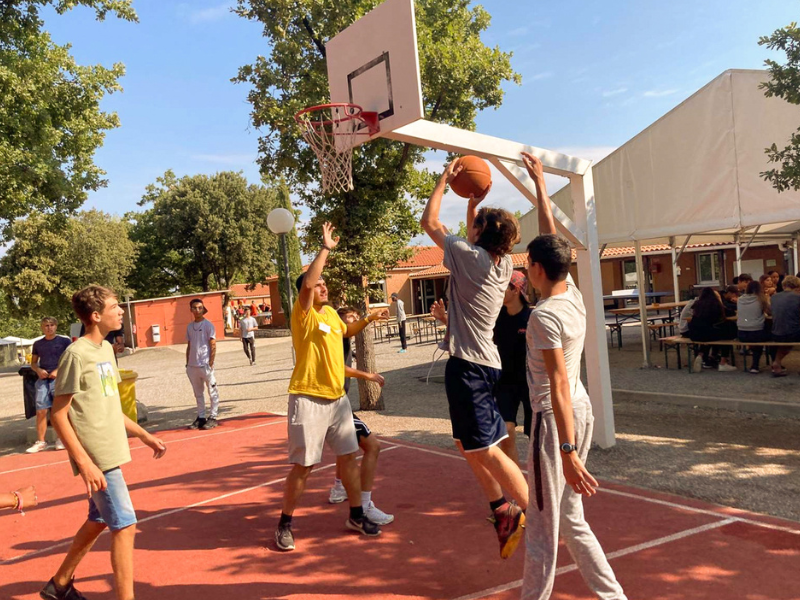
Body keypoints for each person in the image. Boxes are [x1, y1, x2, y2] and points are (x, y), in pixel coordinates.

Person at [520, 152, 627, 600]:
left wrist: (565, 451)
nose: (524, 270)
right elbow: (551, 239)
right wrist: (541, 186)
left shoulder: (544, 316)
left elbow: (558, 384)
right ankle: (613, 596)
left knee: (543, 530)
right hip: (577, 410)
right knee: (573, 517)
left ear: (540, 270)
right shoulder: (575, 294)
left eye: (527, 264)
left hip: (555, 420)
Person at [420, 160, 528, 559]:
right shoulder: (503, 264)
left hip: (468, 366)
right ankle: (501, 510)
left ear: (480, 235)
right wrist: (473, 207)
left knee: (484, 450)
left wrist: (445, 182)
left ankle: (535, 512)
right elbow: (470, 239)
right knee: (468, 444)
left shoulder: (472, 257)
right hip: (484, 363)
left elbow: (429, 222)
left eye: (475, 227)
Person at [42, 285, 166, 600]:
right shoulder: (76, 353)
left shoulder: (107, 350)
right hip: (98, 458)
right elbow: (58, 414)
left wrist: (143, 434)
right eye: (114, 306)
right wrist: (84, 463)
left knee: (98, 519)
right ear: (96, 316)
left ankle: (59, 585)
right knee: (125, 525)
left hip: (112, 451)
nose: (121, 310)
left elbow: (109, 404)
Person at [275, 222, 389, 552]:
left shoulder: (331, 316)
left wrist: (368, 320)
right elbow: (309, 282)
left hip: (337, 400)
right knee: (305, 466)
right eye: (319, 284)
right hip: (308, 397)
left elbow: (345, 332)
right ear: (306, 292)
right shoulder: (304, 314)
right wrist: (325, 249)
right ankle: (284, 522)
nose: (323, 287)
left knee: (349, 457)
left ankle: (355, 515)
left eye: (325, 284)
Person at [327, 306, 394, 525]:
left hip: (337, 402)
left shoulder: (343, 338)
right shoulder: (335, 336)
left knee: (345, 447)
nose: (354, 321)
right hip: (332, 403)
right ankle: (364, 506)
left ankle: (339, 487)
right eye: (350, 318)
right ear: (339, 320)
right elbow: (338, 368)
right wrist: (368, 375)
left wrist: (370, 318)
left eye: (356, 318)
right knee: (372, 446)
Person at [27, 317, 71, 453]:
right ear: (42, 327)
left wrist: (58, 371)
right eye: (46, 325)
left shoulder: (64, 341)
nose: (49, 327)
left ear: (56, 326)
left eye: (52, 325)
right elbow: (33, 363)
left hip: (59, 379)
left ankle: (61, 438)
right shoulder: (38, 344)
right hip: (43, 380)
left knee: (59, 410)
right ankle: (41, 441)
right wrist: (38, 370)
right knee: (41, 410)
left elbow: (69, 359)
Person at [185, 298, 219, 430]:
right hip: (193, 366)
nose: (197, 310)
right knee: (198, 393)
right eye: (194, 308)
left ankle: (213, 416)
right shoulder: (189, 326)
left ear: (203, 308)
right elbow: (189, 344)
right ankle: (201, 417)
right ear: (191, 310)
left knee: (212, 390)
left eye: (200, 307)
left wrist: (211, 362)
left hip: (205, 364)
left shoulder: (208, 325)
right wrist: (187, 363)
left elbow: (213, 343)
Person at [687, 287, 737, 372]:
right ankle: (723, 363)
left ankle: (700, 355)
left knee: (707, 335)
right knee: (728, 334)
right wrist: (720, 301)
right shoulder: (715, 304)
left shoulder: (697, 304)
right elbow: (728, 313)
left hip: (694, 334)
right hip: (708, 334)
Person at [737, 280, 773, 374]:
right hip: (756, 332)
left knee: (756, 338)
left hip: (741, 332)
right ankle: (758, 365)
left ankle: (755, 366)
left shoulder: (740, 299)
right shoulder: (761, 299)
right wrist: (768, 298)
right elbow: (770, 312)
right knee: (772, 337)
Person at [769, 275, 800, 377]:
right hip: (793, 333)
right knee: (791, 334)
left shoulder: (773, 297)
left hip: (776, 333)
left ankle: (776, 363)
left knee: (785, 342)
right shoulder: (797, 297)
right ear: (797, 285)